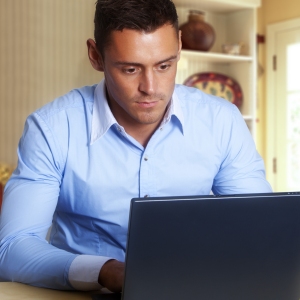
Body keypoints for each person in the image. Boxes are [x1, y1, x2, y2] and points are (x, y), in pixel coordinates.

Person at [0, 0, 272, 293]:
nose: (151, 87)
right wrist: (105, 271)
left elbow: (259, 231)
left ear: (179, 45)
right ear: (95, 56)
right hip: (86, 295)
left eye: (165, 65)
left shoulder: (221, 121)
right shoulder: (51, 129)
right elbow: (13, 248)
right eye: (130, 69)